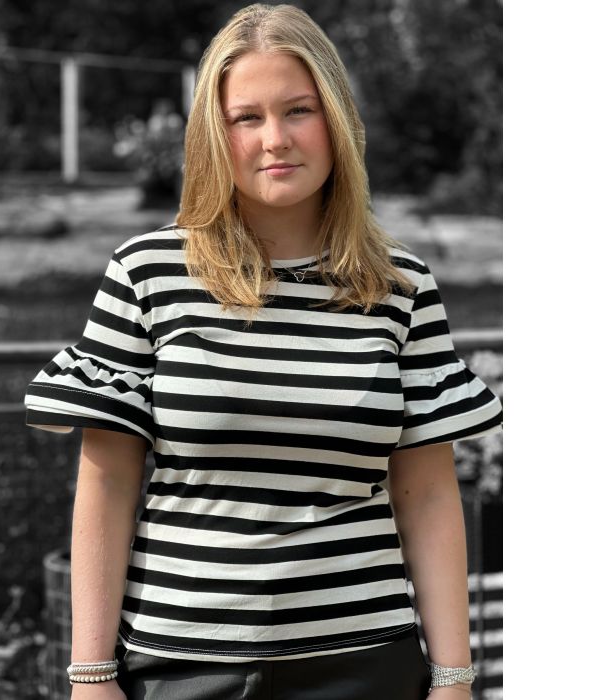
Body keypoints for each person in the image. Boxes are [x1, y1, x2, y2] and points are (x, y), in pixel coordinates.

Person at [25, 4, 502, 699]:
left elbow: (427, 493)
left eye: (298, 110)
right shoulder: (146, 273)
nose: (275, 139)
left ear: (337, 119)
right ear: (213, 136)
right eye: (246, 117)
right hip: (180, 668)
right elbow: (107, 484)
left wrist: (454, 678)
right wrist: (91, 674)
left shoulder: (402, 286)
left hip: (365, 667)